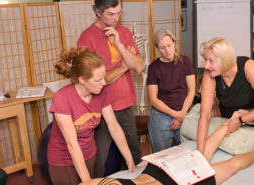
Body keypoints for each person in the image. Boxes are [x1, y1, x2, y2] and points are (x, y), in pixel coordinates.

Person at [47, 47, 137, 185]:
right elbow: (72, 144)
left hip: (89, 154)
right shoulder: (62, 98)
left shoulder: (102, 92)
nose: (104, 82)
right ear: (82, 79)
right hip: (63, 159)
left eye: (103, 77)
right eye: (98, 80)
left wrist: (129, 159)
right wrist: (87, 181)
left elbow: (114, 126)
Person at [77, 0, 143, 177]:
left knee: (134, 153)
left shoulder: (124, 32)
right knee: (99, 160)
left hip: (125, 105)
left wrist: (119, 45)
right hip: (100, 109)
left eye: (119, 13)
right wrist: (122, 67)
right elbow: (95, 81)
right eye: (111, 14)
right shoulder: (87, 38)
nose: (116, 18)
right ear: (98, 12)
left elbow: (138, 66)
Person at [79, 124, 254, 185]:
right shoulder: (110, 183)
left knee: (231, 165)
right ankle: (227, 125)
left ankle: (227, 125)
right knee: (201, 158)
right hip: (158, 171)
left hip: (167, 175)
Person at [197, 37, 254, 154]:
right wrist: (200, 151)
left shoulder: (248, 67)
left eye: (211, 61)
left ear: (225, 59)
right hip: (228, 119)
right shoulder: (210, 73)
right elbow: (205, 114)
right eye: (205, 60)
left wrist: (241, 119)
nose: (206, 66)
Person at [146, 28, 195, 152]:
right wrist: (176, 115)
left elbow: (191, 91)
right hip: (161, 117)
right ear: (157, 48)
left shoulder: (186, 61)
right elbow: (153, 99)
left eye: (169, 45)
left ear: (174, 43)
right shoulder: (153, 67)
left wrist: (181, 115)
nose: (167, 50)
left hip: (184, 114)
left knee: (188, 154)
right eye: (162, 48)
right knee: (162, 156)